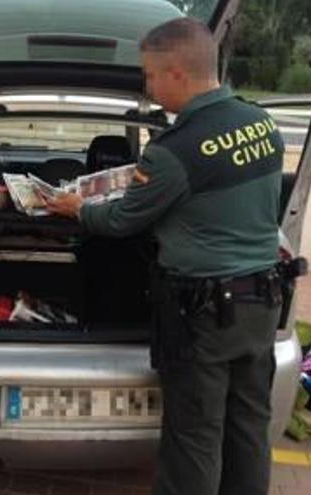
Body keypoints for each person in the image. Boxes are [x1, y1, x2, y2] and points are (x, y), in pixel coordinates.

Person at [45, 18, 285, 495]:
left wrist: (78, 209)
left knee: (193, 437)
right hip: (262, 300)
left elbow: (121, 222)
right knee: (248, 426)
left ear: (177, 73)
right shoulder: (263, 123)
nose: (147, 87)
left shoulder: (176, 149)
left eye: (150, 75)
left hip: (204, 314)